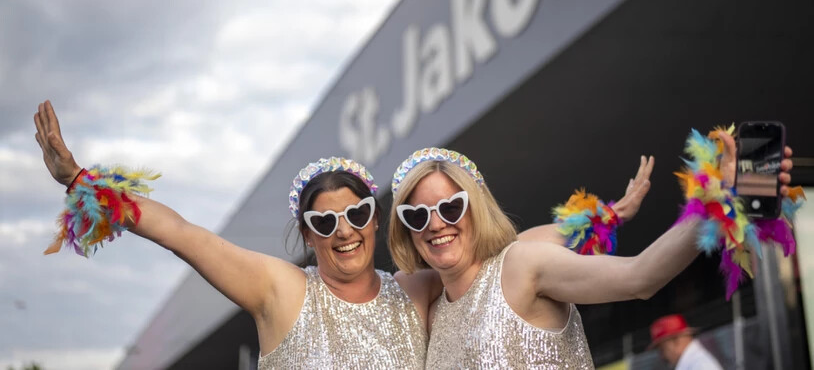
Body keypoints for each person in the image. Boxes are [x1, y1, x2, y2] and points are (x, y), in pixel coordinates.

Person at [33, 101, 652, 368]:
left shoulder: (416, 291)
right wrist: (81, 181)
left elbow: (507, 253)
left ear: (375, 221)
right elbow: (182, 234)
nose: (344, 232)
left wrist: (595, 221)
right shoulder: (280, 291)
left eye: (356, 216)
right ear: (309, 234)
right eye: (325, 223)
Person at [388, 140, 794, 368]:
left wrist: (721, 202)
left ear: (477, 210)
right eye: (416, 215)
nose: (435, 224)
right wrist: (608, 216)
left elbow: (639, 277)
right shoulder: (429, 305)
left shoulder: (520, 266)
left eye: (451, 208)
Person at [649, 314, 723, 370]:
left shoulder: (700, 365)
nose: (662, 356)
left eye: (662, 349)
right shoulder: (693, 362)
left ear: (676, 340)